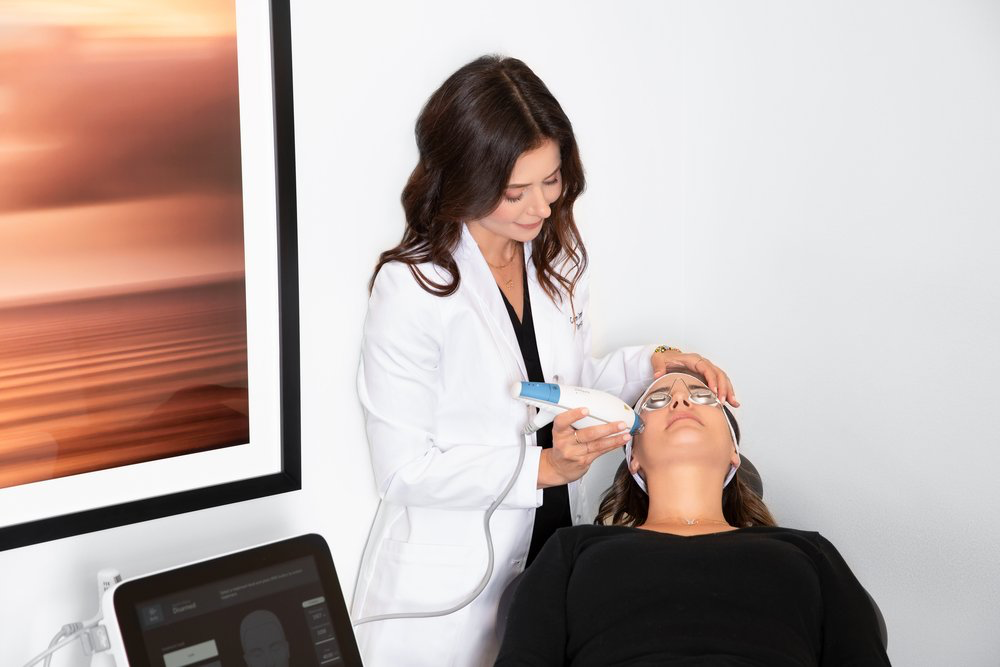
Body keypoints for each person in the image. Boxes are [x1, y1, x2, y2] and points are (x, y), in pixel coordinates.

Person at [352, 55, 739, 667]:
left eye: (552, 181)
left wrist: (657, 363)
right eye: (513, 192)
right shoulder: (413, 288)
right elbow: (403, 470)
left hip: (553, 552)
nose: (540, 208)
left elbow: (562, 388)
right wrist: (540, 468)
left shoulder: (556, 261)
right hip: (446, 597)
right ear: (461, 180)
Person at [495, 371, 892, 666]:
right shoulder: (573, 549)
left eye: (703, 397)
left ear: (734, 453)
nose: (681, 401)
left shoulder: (808, 550)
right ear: (632, 457)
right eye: (657, 400)